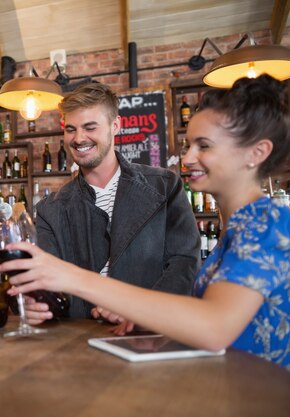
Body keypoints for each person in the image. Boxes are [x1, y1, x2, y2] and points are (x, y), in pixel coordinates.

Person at [2, 75, 290, 368]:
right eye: (189, 145)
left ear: (257, 153)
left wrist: (75, 278)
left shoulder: (266, 222)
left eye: (203, 146)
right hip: (216, 375)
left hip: (257, 388)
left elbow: (213, 323)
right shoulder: (244, 225)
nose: (187, 158)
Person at [28, 82, 200, 327]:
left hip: (152, 334)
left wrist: (142, 311)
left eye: (90, 127)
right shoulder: (49, 209)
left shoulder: (165, 186)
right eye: (71, 129)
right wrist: (36, 304)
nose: (78, 139)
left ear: (115, 126)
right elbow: (47, 282)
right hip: (79, 339)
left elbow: (184, 262)